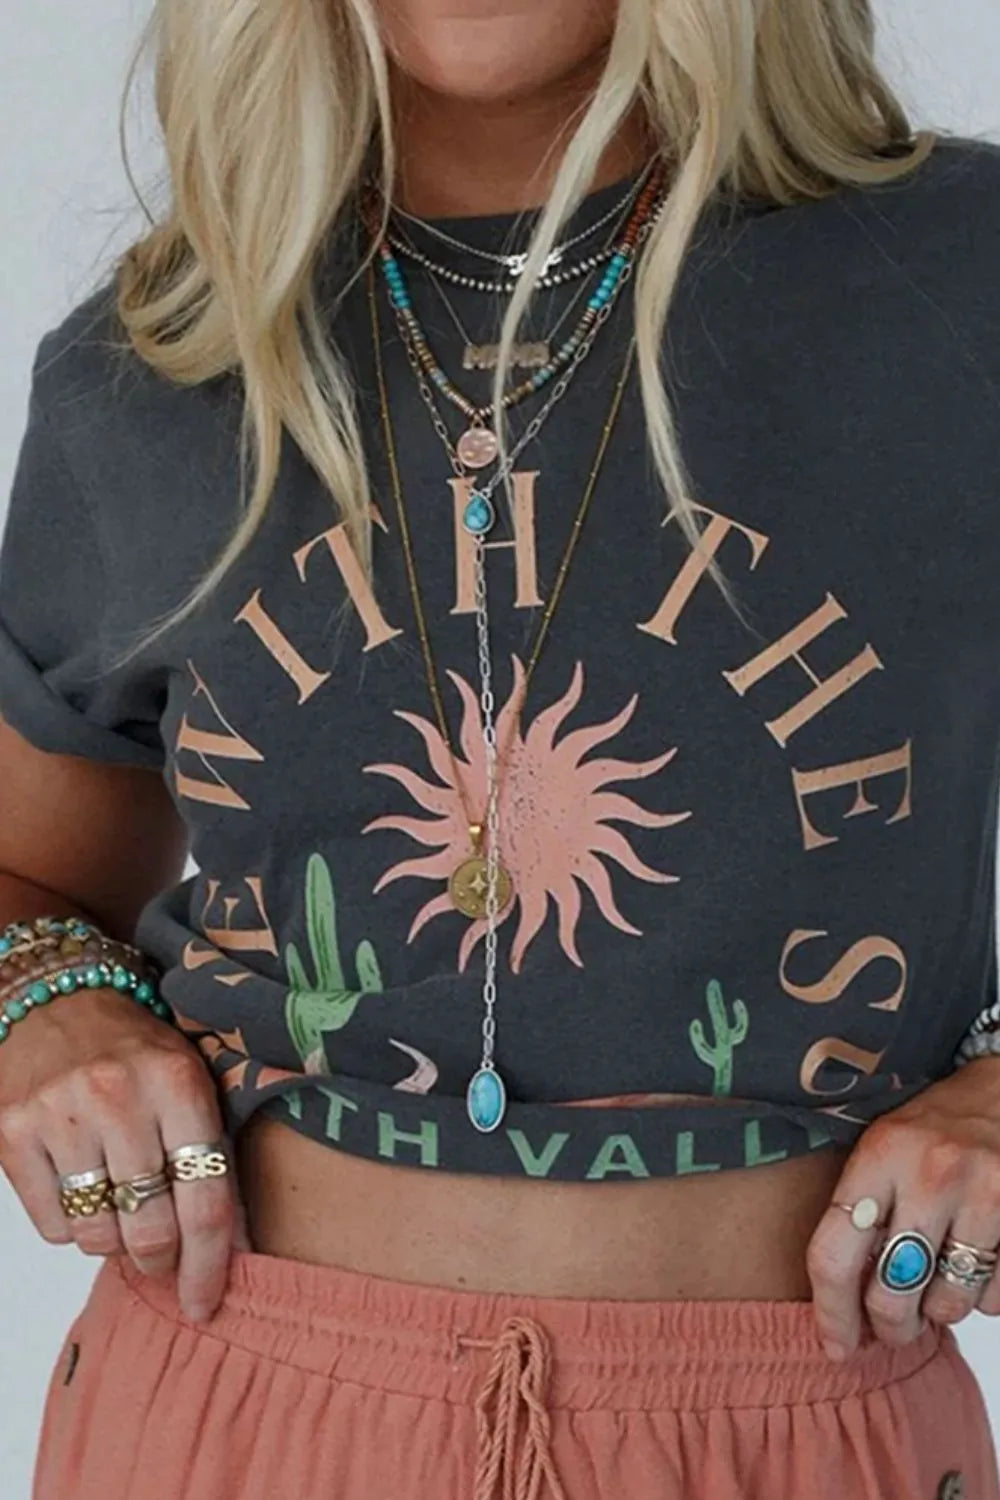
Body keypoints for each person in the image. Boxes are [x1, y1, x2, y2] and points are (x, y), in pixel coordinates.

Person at [2, 0, 1000, 1495]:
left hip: (786, 1432)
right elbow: (28, 876)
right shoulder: (166, 359)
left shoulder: (956, 282)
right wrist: (47, 1007)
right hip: (228, 1409)